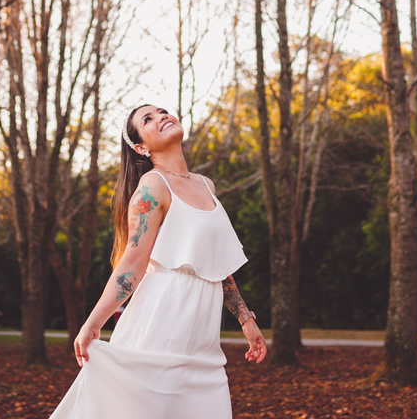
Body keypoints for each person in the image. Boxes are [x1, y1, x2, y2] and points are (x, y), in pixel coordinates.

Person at [50, 104, 267, 419]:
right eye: (148, 119)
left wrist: (246, 319)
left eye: (162, 111)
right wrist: (93, 323)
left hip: (203, 337)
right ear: (141, 147)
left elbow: (215, 264)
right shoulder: (153, 186)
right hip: (163, 319)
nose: (162, 116)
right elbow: (133, 261)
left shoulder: (206, 185)